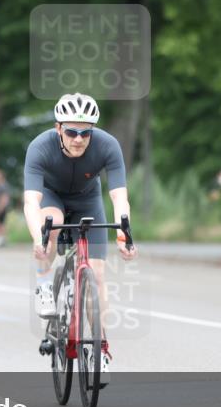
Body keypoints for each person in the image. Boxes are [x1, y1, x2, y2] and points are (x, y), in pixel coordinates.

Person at [23, 92, 138, 387]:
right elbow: (31, 202)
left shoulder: (108, 145)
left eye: (85, 133)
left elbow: (119, 197)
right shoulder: (40, 147)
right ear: (58, 128)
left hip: (88, 201)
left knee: (97, 276)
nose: (78, 139)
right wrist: (40, 238)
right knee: (53, 225)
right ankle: (45, 283)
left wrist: (125, 233)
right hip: (52, 198)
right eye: (72, 131)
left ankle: (100, 349)